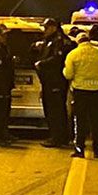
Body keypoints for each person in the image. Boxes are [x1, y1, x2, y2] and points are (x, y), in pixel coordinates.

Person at [64, 25, 98, 158]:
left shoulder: (73, 54)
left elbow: (68, 74)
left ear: (78, 41)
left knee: (80, 121)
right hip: (96, 91)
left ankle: (80, 149)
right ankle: (97, 150)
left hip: (80, 92)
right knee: (96, 121)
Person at [34, 18, 71, 147]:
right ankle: (58, 136)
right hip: (49, 81)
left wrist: (41, 63)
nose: (44, 30)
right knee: (53, 109)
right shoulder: (49, 40)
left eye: (46, 28)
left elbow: (57, 59)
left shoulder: (58, 41)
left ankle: (57, 138)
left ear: (53, 27)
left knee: (55, 110)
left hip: (55, 81)